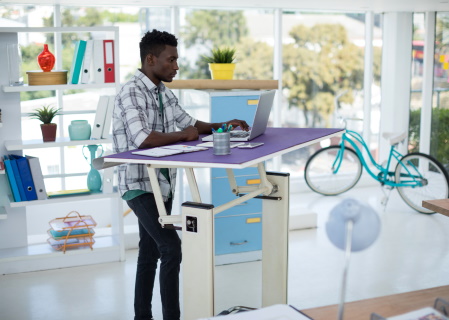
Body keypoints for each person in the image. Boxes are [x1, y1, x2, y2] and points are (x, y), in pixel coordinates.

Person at [112, 29, 249, 320]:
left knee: (149, 252)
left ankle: (141, 316)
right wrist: (182, 136)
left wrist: (224, 125)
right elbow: (143, 139)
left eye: (177, 60)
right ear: (151, 59)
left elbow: (191, 124)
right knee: (170, 247)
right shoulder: (130, 91)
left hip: (162, 183)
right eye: (171, 60)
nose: (176, 66)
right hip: (137, 183)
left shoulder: (164, 92)